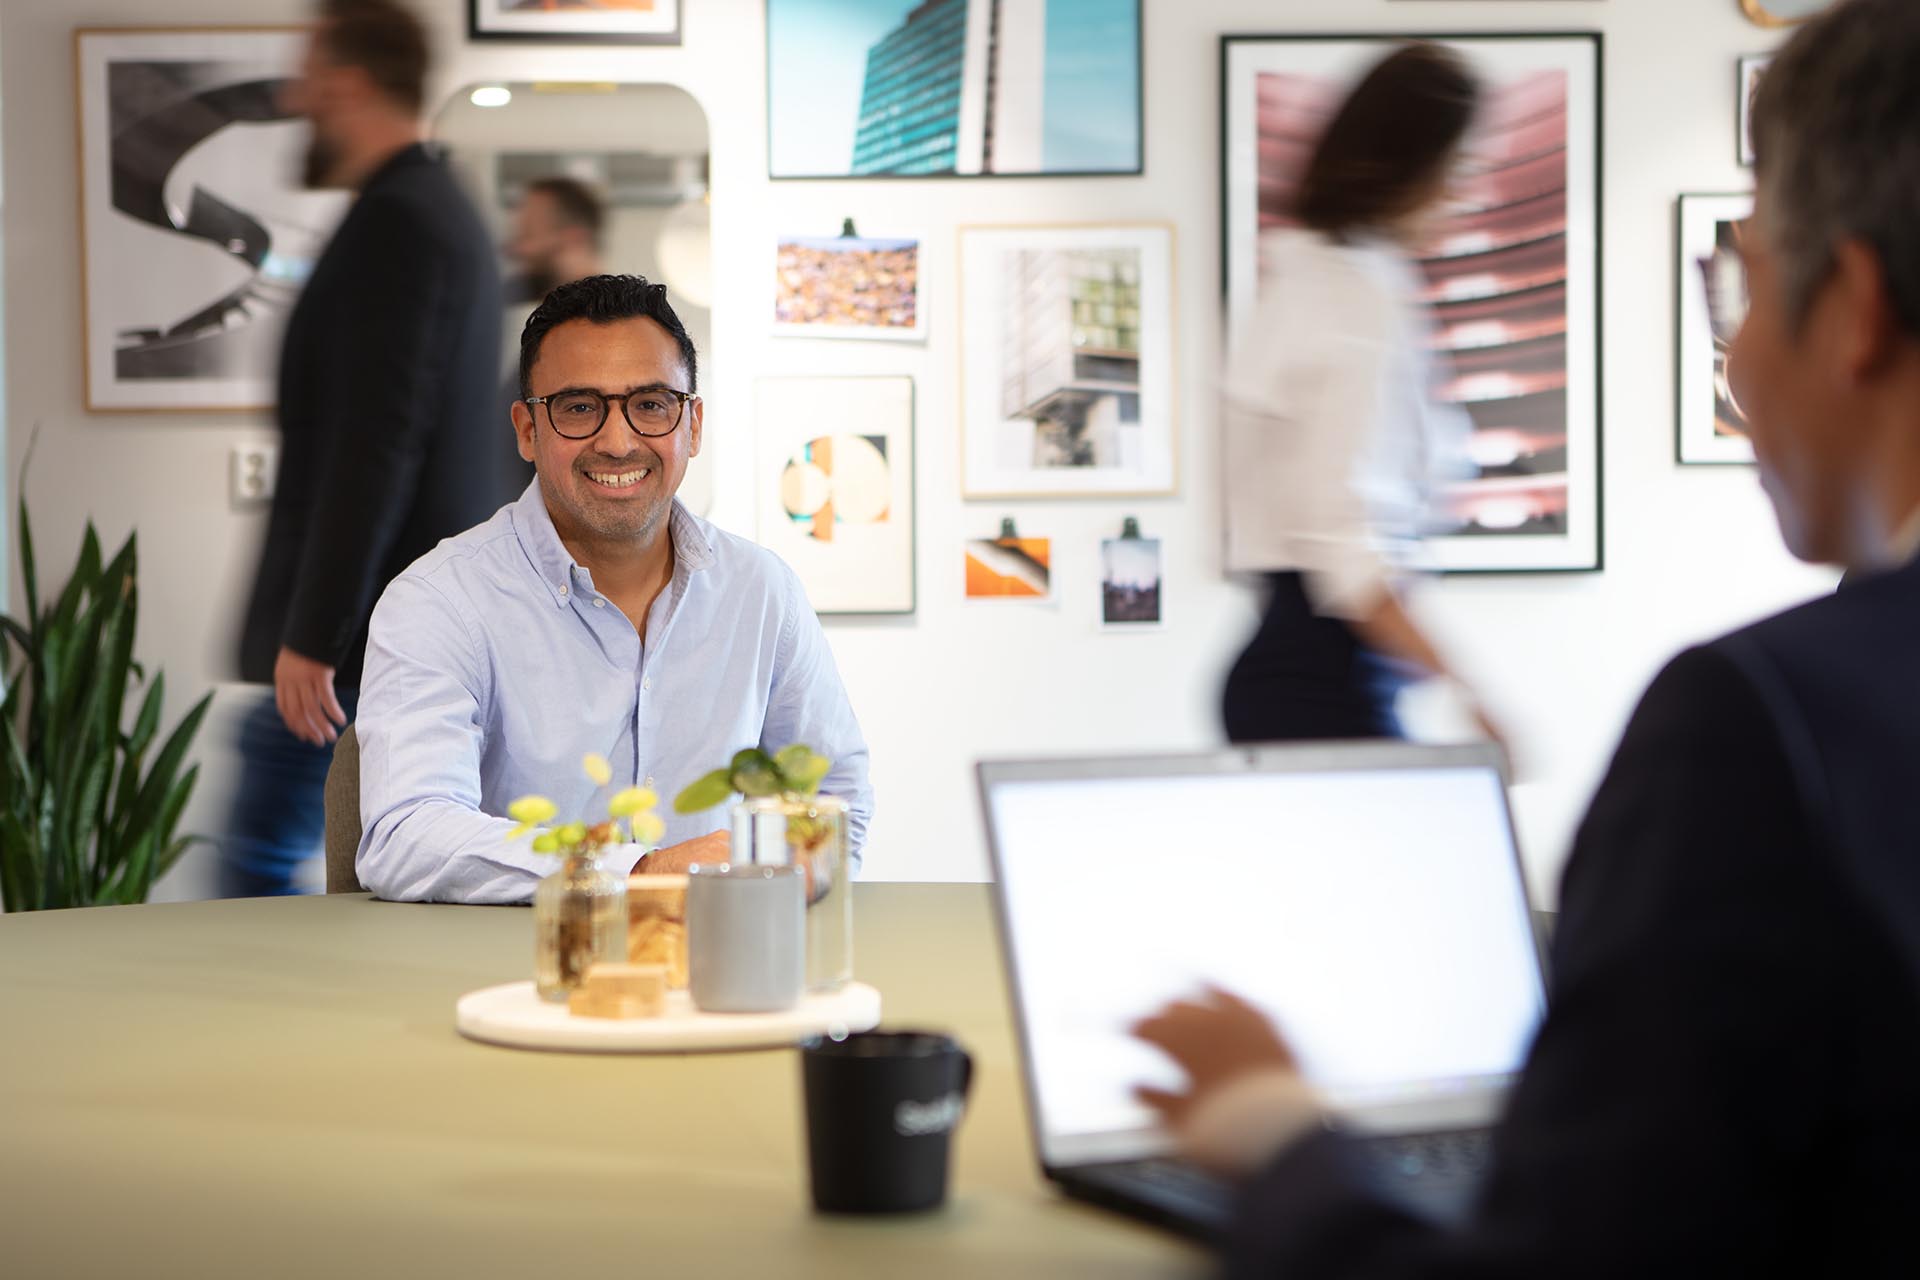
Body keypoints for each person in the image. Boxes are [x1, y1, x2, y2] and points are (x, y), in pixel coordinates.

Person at [1135, 3, 1920, 1273]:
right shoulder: (1348, 289)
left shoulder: (1757, 731)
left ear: (1857, 310)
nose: (1731, 359)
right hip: (1321, 662)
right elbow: (1344, 541)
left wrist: (1279, 1143)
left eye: (1742, 284)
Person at [354, 274, 872, 904]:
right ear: (526, 429)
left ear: (693, 425)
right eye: (579, 407)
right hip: (516, 971)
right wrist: (639, 872)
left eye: (652, 404)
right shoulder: (438, 602)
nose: (619, 439)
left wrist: (785, 885)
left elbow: (833, 799)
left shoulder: (762, 592)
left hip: (718, 970)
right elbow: (406, 835)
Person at [225, 0, 508, 897]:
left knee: (262, 871)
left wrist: (317, 633)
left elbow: (374, 443)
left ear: (347, 82)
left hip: (364, 641)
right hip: (383, 627)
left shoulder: (404, 220)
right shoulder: (429, 210)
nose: (297, 96)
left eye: (309, 73)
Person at [1220, 45, 1498, 743]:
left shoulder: (1314, 280)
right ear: (1409, 166)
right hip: (1320, 684)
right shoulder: (1353, 298)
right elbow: (1346, 544)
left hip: (1309, 674)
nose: (1463, 191)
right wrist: (1471, 690)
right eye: (1456, 168)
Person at [506, 176, 607, 302]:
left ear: (574, 238)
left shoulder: (620, 314)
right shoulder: (516, 298)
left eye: (528, 235)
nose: (516, 249)